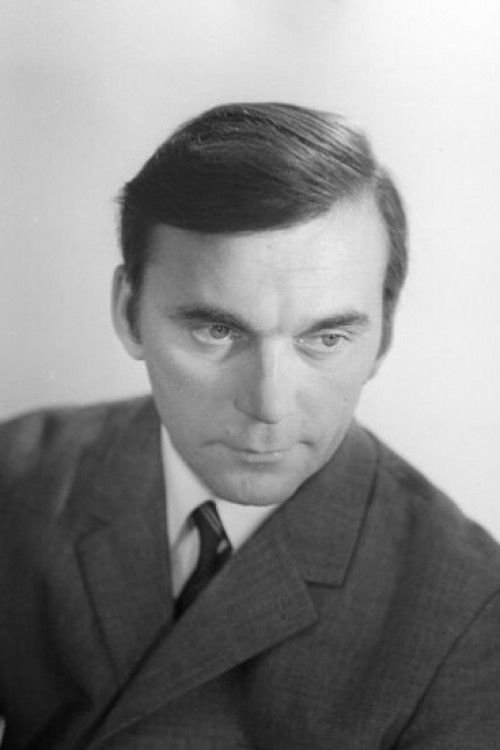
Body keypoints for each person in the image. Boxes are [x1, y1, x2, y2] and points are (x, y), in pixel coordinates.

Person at [0, 102, 499, 750]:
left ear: (382, 339)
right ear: (128, 313)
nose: (269, 404)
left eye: (327, 338)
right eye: (216, 330)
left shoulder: (469, 607)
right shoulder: (18, 476)